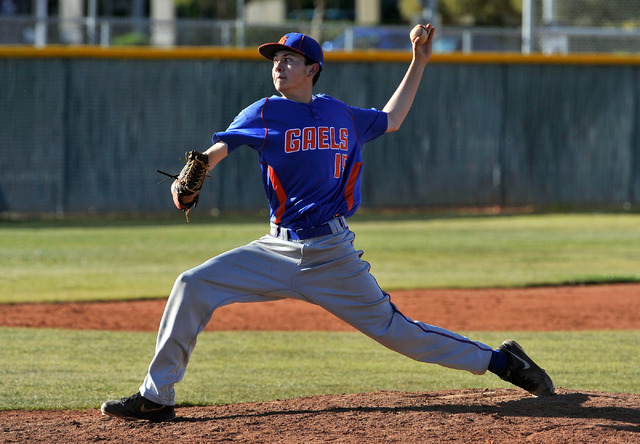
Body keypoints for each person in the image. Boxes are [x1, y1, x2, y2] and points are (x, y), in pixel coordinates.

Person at [101, 25, 554, 422]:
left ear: (311, 68)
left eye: (288, 59)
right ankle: (156, 397)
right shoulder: (262, 112)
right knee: (191, 285)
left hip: (332, 254)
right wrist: (190, 183)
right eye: (274, 59)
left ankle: (503, 363)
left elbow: (392, 119)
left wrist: (419, 61)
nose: (277, 65)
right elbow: (215, 152)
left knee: (399, 333)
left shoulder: (339, 113)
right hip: (276, 250)